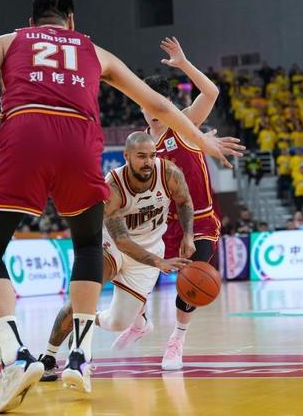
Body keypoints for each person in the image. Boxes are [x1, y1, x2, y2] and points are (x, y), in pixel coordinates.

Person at [0, 0, 243, 412]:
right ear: (71, 20)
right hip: (78, 143)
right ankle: (80, 358)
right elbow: (158, 104)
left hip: (25, 133)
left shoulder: (9, 41)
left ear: (31, 21)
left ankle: (15, 357)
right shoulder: (94, 50)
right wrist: (204, 140)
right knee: (87, 247)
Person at [39, 132, 194, 381]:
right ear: (127, 156)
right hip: (112, 244)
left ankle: (93, 320)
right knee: (84, 295)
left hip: (150, 249)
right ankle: (48, 356)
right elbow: (122, 241)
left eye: (152, 155)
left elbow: (184, 201)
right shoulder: (112, 186)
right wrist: (159, 262)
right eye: (141, 156)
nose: (148, 162)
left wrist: (188, 235)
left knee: (118, 323)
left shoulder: (169, 173)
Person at [130, 36, 224, 371]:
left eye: (159, 104)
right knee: (124, 270)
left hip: (199, 222)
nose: (153, 110)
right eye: (147, 104)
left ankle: (177, 340)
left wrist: (183, 64)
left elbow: (211, 93)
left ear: (167, 103)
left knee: (190, 282)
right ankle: (140, 320)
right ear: (140, 105)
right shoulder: (139, 145)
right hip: (160, 226)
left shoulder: (184, 123)